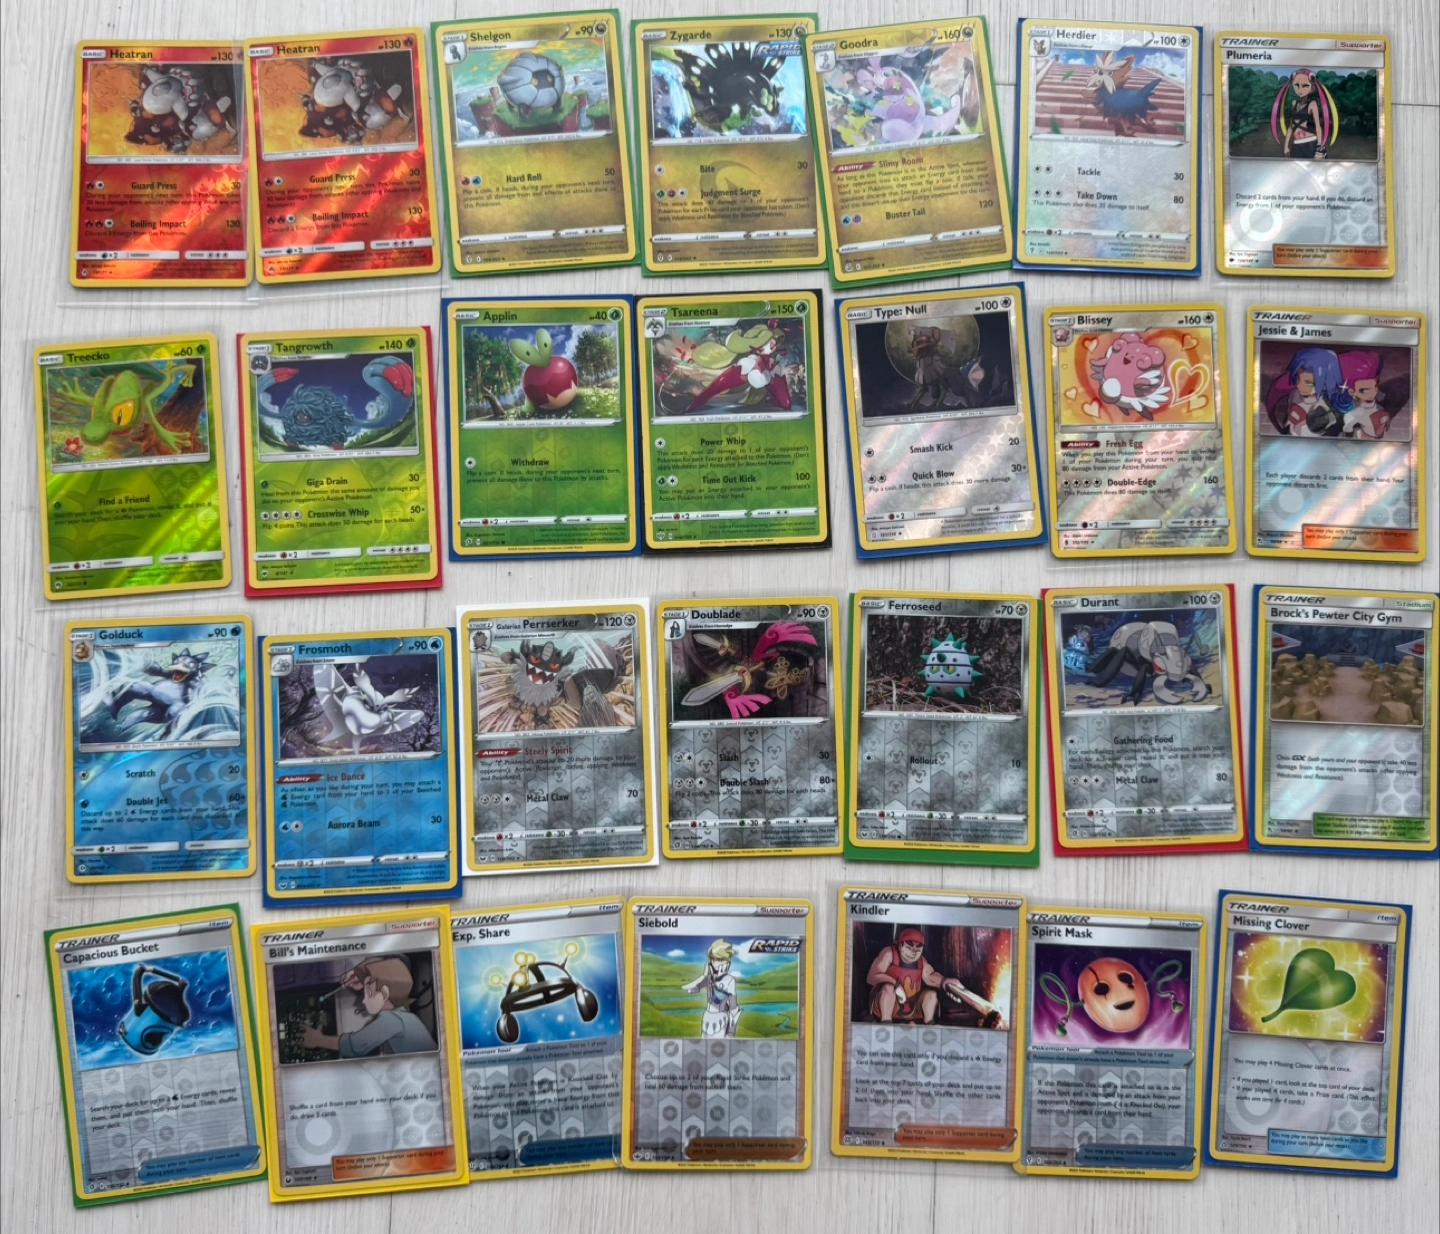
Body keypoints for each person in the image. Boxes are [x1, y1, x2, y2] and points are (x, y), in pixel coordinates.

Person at [302, 956, 436, 1057]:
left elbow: (357, 1045)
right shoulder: (406, 1018)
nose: (364, 1001)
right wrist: (362, 976)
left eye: (368, 993)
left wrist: (318, 1040)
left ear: (385, 993)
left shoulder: (392, 1020)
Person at [867, 927, 944, 1023]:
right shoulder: (889, 954)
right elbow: (872, 976)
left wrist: (945, 982)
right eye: (909, 947)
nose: (913, 952)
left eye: (918, 948)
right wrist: (896, 985)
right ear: (900, 946)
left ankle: (929, 1024)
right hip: (888, 1004)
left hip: (912, 1007)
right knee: (888, 988)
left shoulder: (921, 961)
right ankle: (886, 1022)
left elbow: (930, 976)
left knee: (931, 995)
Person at [683, 940, 741, 1037]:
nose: (717, 963)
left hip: (721, 1019)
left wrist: (731, 1032)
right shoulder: (709, 977)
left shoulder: (729, 980)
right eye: (714, 959)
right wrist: (704, 975)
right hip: (707, 1018)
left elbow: (733, 1007)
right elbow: (692, 990)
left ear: (727, 962)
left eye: (721, 959)